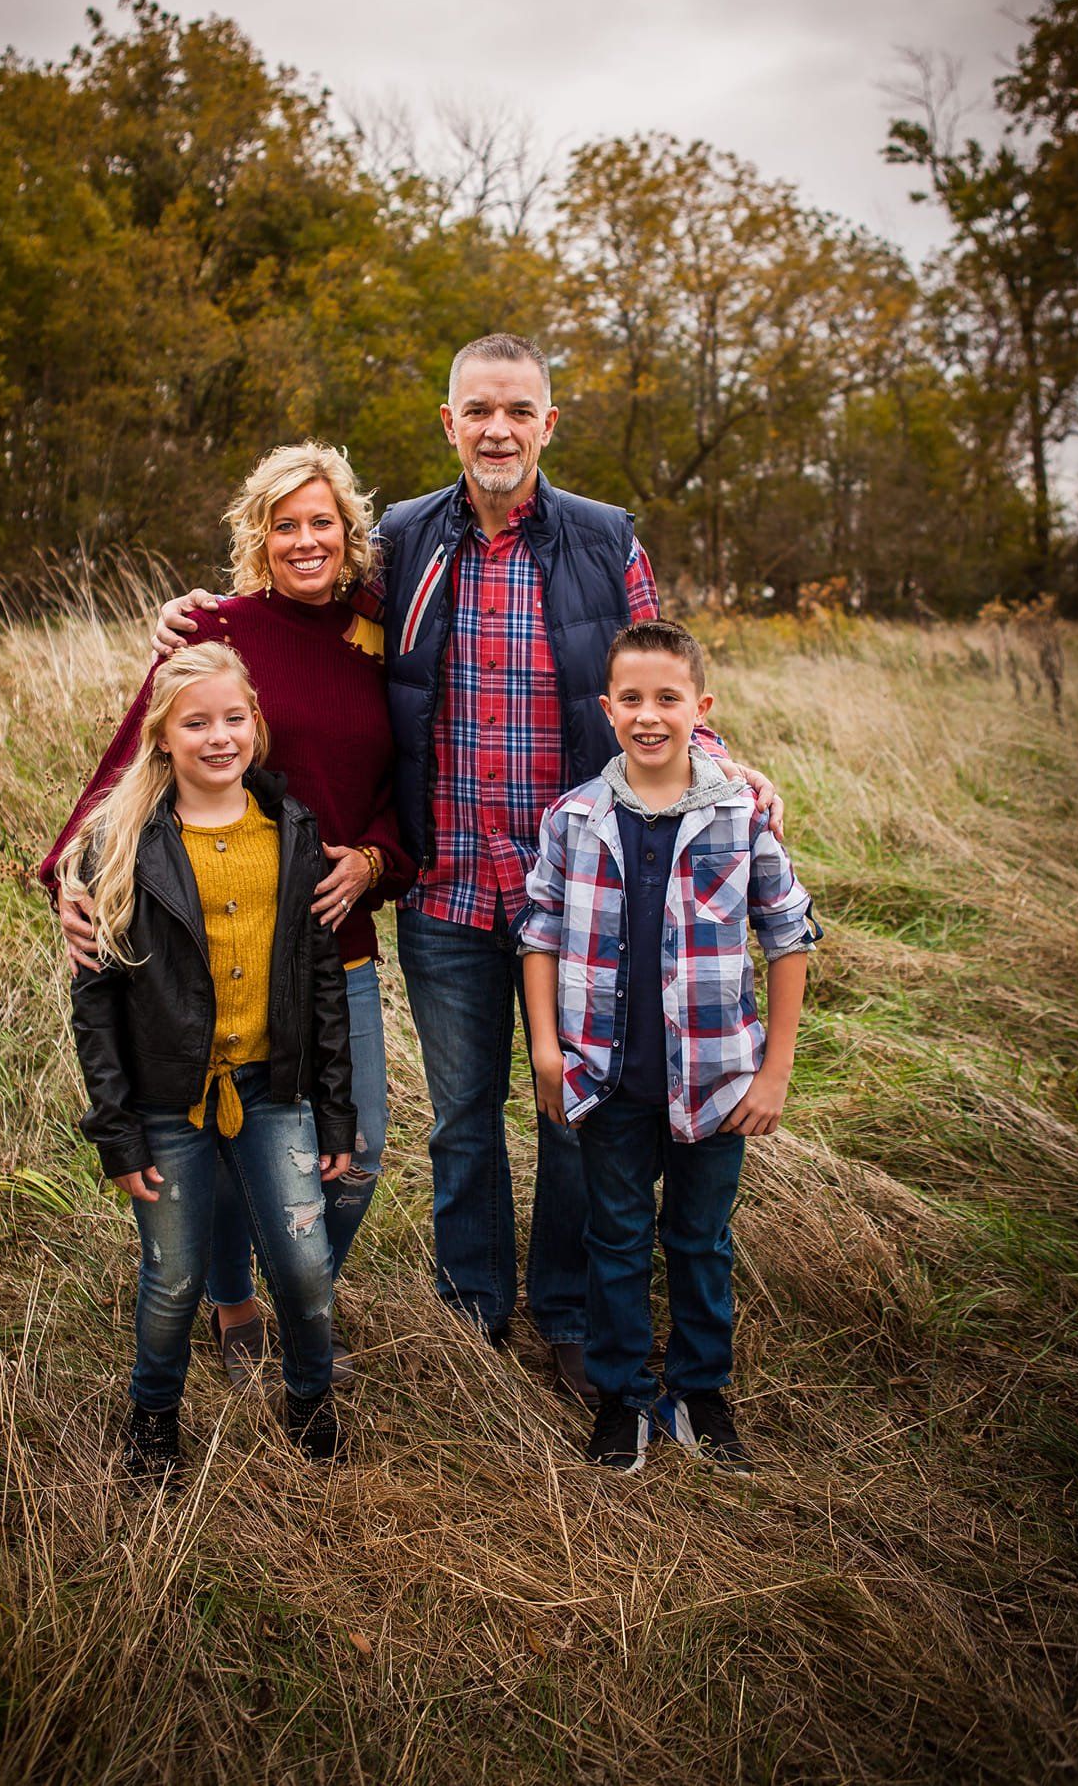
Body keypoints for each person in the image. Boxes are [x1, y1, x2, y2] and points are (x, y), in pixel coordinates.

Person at [151, 333, 782, 1403]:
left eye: (517, 410)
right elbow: (295, 593)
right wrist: (193, 615)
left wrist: (724, 763)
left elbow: (652, 675)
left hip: (578, 898)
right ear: (448, 423)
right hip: (444, 885)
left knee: (570, 1112)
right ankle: (471, 1306)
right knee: (458, 1117)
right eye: (476, 410)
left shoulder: (601, 537)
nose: (497, 429)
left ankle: (570, 1313)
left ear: (547, 422)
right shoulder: (400, 541)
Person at [44, 443, 412, 1386]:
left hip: (338, 937)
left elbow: (408, 782)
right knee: (209, 1136)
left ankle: (297, 1287)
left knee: (357, 1148)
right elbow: (132, 761)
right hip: (206, 944)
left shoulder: (383, 632)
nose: (304, 540)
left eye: (320, 521)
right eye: (284, 523)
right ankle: (232, 1297)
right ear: (257, 536)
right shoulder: (215, 628)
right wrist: (70, 879)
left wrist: (374, 857)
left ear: (348, 531)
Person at [520, 620, 820, 1473]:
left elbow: (788, 936)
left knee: (698, 1237)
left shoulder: (740, 813)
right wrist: (547, 1049)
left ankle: (699, 1388)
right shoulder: (574, 818)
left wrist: (774, 1069)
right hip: (606, 1078)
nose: (649, 716)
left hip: (718, 1081)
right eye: (633, 700)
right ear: (606, 706)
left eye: (667, 698)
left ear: (701, 707)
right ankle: (621, 1396)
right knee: (614, 1236)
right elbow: (538, 933)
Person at [59, 642, 356, 1477]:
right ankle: (152, 1421)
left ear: (256, 727)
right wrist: (116, 1130)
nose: (218, 737)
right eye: (196, 722)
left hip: (273, 1089)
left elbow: (321, 982)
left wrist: (335, 1109)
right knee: (174, 1275)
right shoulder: (120, 846)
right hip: (166, 1104)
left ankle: (308, 1397)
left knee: (302, 1267)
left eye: (234, 718)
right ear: (161, 737)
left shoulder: (291, 830)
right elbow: (97, 1003)